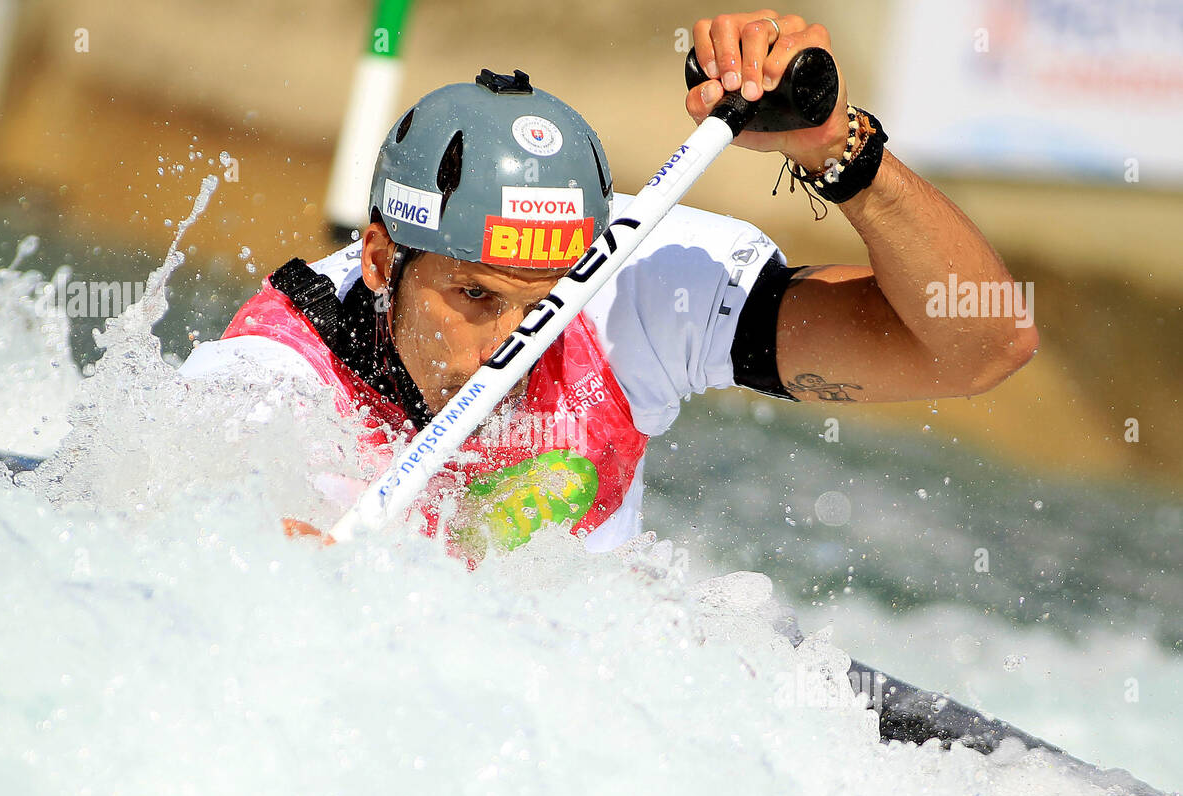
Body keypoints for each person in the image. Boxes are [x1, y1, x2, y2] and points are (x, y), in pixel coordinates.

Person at [179, 11, 1038, 557]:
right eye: (476, 298)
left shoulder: (634, 286)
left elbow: (984, 346)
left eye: (547, 296)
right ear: (379, 262)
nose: (515, 343)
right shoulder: (274, 377)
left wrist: (838, 151)